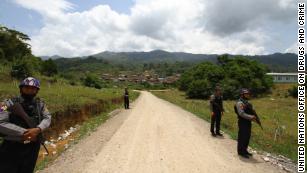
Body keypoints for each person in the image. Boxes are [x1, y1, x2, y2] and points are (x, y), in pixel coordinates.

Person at [0, 77, 51, 173]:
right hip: (12, 146)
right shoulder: (7, 103)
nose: (29, 91)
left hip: (32, 147)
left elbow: (47, 117)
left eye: (33, 89)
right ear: (21, 88)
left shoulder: (40, 104)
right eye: (26, 88)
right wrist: (24, 132)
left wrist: (38, 129)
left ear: (37, 90)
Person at [234, 88, 257, 158]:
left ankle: (245, 150)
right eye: (246, 94)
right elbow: (241, 113)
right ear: (242, 95)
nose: (248, 95)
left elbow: (250, 111)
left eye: (248, 94)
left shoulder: (247, 102)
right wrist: (251, 117)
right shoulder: (239, 103)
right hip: (242, 122)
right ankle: (241, 152)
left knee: (247, 136)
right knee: (242, 137)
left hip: (247, 122)